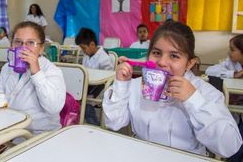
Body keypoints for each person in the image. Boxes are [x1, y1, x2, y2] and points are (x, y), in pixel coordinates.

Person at [103, 21, 242, 158]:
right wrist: (122, 85)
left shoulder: (205, 92)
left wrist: (193, 99)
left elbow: (229, 146)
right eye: (157, 53)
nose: (162, 62)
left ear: (189, 63)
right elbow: (114, 123)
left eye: (174, 56)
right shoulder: (136, 86)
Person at [0, 21, 66, 134]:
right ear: (12, 45)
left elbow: (53, 107)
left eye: (30, 43)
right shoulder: (7, 68)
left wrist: (36, 72)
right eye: (18, 42)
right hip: (11, 129)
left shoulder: (52, 71)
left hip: (40, 134)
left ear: (41, 48)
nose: (23, 48)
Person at [75, 27, 114, 125]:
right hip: (88, 87)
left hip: (100, 89)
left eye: (84, 48)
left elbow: (108, 80)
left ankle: (94, 126)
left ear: (92, 44)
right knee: (74, 100)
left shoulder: (104, 58)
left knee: (87, 107)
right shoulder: (86, 56)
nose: (83, 51)